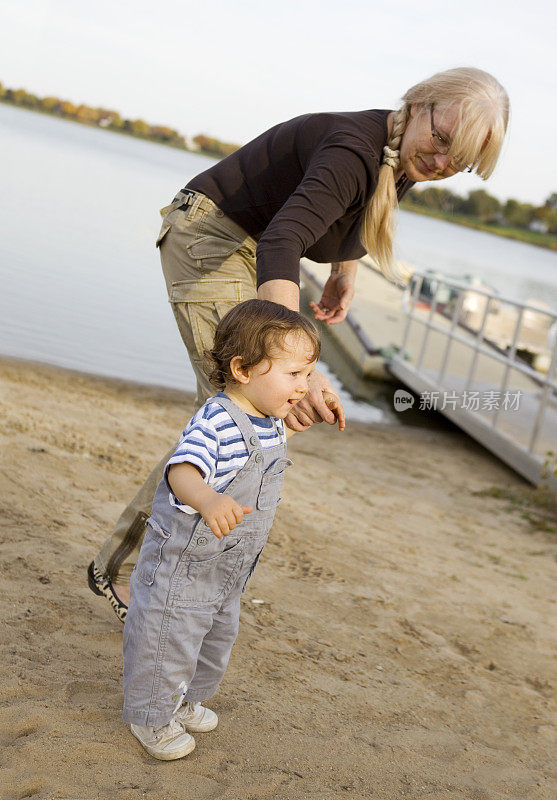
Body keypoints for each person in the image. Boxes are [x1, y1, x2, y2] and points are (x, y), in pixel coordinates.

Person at [88, 66, 509, 620]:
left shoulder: (396, 154)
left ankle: (153, 572)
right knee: (235, 414)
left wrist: (345, 271)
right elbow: (284, 240)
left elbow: (352, 209)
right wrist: (298, 368)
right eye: (442, 140)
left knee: (234, 420)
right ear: (421, 102)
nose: (440, 163)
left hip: (249, 242)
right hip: (212, 239)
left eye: (459, 162)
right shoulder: (353, 149)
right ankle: (124, 575)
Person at [122, 299, 340, 760]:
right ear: (242, 369)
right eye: (294, 375)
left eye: (308, 374)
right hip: (183, 565)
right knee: (169, 638)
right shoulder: (216, 419)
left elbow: (263, 454)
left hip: (227, 568)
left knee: (214, 638)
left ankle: (184, 702)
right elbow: (181, 470)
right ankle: (151, 718)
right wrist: (207, 498)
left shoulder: (270, 420)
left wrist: (311, 415)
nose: (304, 387)